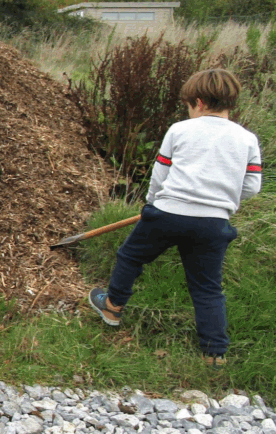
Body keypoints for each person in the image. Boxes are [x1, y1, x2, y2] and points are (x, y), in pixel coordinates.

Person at [89, 68, 263, 367]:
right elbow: (251, 186)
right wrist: (223, 203)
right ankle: (215, 354)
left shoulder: (180, 130)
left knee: (131, 257)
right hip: (213, 223)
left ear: (197, 102)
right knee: (207, 287)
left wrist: (151, 204)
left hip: (168, 213)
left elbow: (160, 175)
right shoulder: (247, 139)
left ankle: (112, 307)